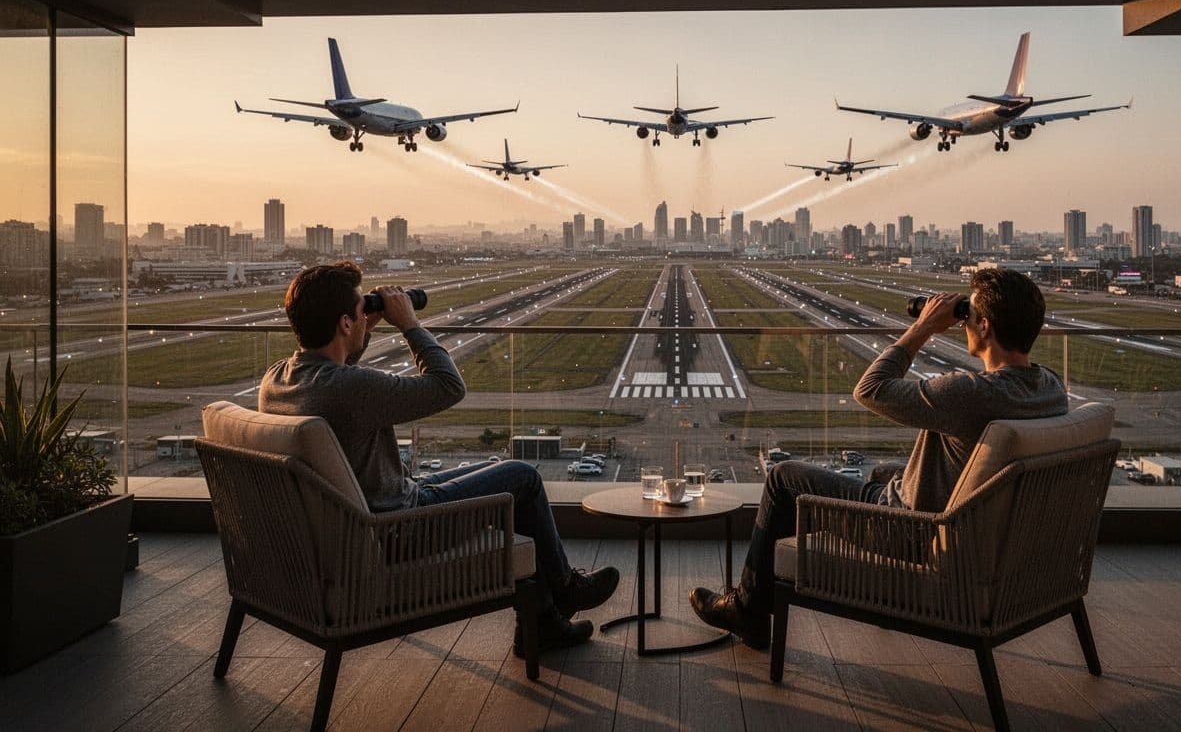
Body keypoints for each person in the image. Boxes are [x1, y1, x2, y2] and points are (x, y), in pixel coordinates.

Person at [690, 268, 1067, 648]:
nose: (964, 322)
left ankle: (749, 608)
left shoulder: (971, 395)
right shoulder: (1051, 388)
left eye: (969, 315)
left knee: (783, 478)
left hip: (910, 531)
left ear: (984, 326)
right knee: (884, 472)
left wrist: (922, 327)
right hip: (982, 532)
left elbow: (870, 389)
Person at [259, 262, 618, 655]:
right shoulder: (350, 388)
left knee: (499, 472)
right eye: (360, 312)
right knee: (523, 477)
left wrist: (360, 330)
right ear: (345, 323)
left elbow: (335, 379)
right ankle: (565, 590)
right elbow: (448, 386)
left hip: (354, 526)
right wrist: (410, 325)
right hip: (401, 529)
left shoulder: (276, 380)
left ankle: (547, 619)